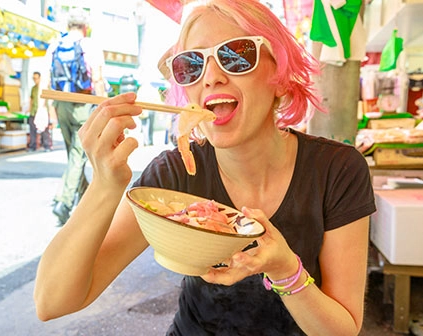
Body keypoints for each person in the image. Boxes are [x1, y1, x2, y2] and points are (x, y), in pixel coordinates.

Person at [34, 1, 376, 335]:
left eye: (236, 55)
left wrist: (287, 271)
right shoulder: (176, 174)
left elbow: (343, 328)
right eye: (191, 64)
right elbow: (53, 301)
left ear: (282, 77)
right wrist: (105, 185)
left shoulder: (338, 170)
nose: (211, 77)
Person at [44, 9, 107, 225]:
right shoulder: (90, 45)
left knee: (73, 155)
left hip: (60, 103)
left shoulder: (55, 45)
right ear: (85, 27)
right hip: (83, 103)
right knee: (78, 156)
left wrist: (45, 108)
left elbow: (47, 78)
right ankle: (63, 202)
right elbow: (97, 79)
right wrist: (105, 106)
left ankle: (84, 195)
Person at [27, 71, 52, 152]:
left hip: (42, 111)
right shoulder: (33, 88)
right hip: (34, 111)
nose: (35, 80)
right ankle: (32, 146)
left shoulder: (44, 88)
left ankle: (47, 146)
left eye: (36, 78)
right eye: (33, 78)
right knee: (32, 130)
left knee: (45, 129)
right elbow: (31, 99)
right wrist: (29, 109)